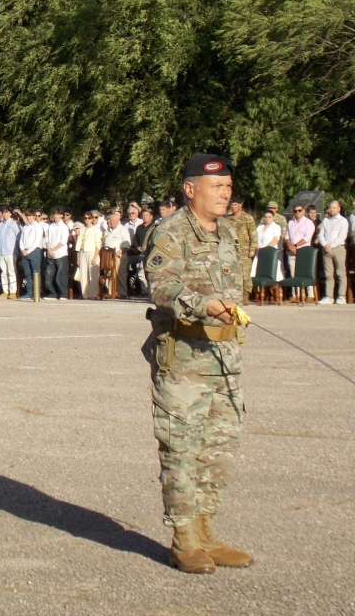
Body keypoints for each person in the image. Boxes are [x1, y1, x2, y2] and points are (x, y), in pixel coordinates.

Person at [144, 153, 252, 575]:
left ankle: (206, 531)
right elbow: (162, 287)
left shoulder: (228, 232)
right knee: (182, 449)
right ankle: (184, 538)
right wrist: (204, 304)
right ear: (191, 190)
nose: (226, 194)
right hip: (185, 357)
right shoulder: (170, 233)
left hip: (226, 359)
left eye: (228, 186)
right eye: (217, 187)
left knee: (218, 450)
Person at [226, 197, 257, 302]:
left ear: (240, 205)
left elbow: (253, 234)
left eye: (235, 204)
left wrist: (252, 249)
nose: (233, 207)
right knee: (232, 273)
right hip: (231, 250)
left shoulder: (247, 218)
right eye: (232, 205)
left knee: (245, 273)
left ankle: (246, 294)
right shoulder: (227, 219)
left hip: (244, 250)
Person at [317, 200, 348, 305]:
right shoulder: (325, 220)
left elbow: (342, 236)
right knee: (328, 274)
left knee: (340, 273)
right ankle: (329, 296)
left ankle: (341, 296)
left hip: (338, 248)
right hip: (326, 249)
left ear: (339, 209)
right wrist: (325, 244)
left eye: (334, 207)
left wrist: (332, 245)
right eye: (330, 207)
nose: (332, 209)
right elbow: (320, 234)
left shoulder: (343, 221)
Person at [285, 203, 316, 300]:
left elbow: (307, 238)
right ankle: (295, 295)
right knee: (293, 273)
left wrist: (295, 246)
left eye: (299, 210)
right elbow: (287, 236)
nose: (297, 212)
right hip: (292, 251)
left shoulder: (308, 223)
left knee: (306, 272)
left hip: (304, 250)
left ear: (303, 211)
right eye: (295, 211)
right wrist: (291, 246)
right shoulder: (291, 222)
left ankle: (310, 295)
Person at [102, 210, 130, 298]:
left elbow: (127, 243)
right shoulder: (107, 231)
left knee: (119, 274)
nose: (112, 222)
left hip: (119, 256)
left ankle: (122, 293)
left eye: (114, 221)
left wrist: (120, 251)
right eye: (111, 221)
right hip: (108, 256)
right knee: (109, 274)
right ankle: (111, 292)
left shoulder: (123, 229)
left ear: (118, 221)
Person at [75, 211, 102, 299]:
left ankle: (93, 294)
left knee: (93, 275)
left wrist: (95, 257)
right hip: (83, 252)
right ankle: (85, 294)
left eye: (89, 218)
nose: (87, 220)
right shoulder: (82, 229)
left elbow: (98, 244)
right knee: (83, 274)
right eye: (85, 218)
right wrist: (78, 257)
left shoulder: (96, 229)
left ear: (92, 219)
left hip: (92, 252)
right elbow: (79, 244)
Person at [44, 207, 70, 299]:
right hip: (50, 254)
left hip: (60, 254)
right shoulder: (51, 226)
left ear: (61, 216)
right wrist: (49, 249)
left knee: (60, 276)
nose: (55, 216)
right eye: (54, 214)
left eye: (57, 214)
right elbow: (46, 239)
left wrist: (53, 250)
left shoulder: (64, 227)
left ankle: (63, 294)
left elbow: (63, 242)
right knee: (48, 276)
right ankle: (52, 293)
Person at [252, 210, 284, 280]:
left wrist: (266, 249)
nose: (267, 219)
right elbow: (255, 237)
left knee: (273, 272)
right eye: (266, 217)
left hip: (271, 252)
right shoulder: (260, 227)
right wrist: (256, 246)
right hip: (259, 252)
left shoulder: (276, 227)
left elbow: (276, 239)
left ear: (273, 218)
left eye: (269, 217)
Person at [0, 206, 20, 299]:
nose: (5, 214)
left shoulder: (13, 224)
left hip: (11, 251)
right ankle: (5, 291)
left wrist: (17, 251)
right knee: (3, 272)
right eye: (3, 212)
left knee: (11, 272)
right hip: (1, 252)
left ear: (10, 213)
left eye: (7, 212)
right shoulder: (0, 224)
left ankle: (13, 291)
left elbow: (18, 237)